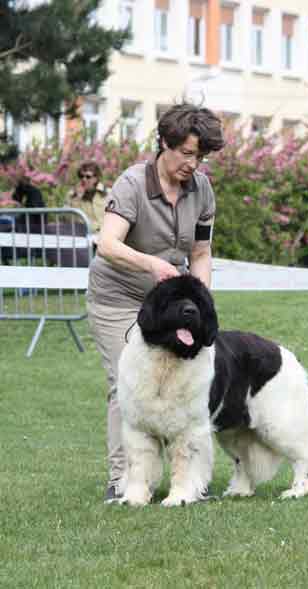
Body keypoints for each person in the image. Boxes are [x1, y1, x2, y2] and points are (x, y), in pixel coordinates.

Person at [86, 102, 225, 503]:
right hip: (118, 296)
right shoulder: (132, 184)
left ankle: (191, 478)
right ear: (164, 142)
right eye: (186, 153)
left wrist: (201, 302)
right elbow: (107, 244)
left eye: (199, 156)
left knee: (185, 385)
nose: (192, 164)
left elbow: (201, 251)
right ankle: (124, 481)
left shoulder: (202, 190)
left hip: (168, 301)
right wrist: (152, 265)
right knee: (125, 383)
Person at [66, 161, 107, 242]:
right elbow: (68, 218)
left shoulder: (107, 193)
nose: (84, 179)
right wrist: (77, 198)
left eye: (88, 176)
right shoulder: (72, 195)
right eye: (81, 176)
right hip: (83, 238)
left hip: (104, 237)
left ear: (96, 178)